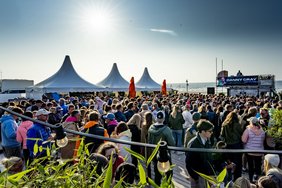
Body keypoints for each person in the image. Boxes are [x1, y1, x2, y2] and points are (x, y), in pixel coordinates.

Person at [148, 111, 175, 185]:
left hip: (154, 153)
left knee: (157, 173)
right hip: (164, 154)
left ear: (156, 118)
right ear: (163, 119)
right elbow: (172, 143)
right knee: (169, 173)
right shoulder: (167, 129)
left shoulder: (151, 128)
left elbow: (149, 141)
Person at [186, 119, 214, 188]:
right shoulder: (193, 144)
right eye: (210, 131)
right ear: (203, 131)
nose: (212, 133)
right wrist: (195, 177)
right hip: (198, 176)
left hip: (206, 174)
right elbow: (188, 163)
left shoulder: (207, 140)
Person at [220, 111, 244, 181]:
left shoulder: (224, 124)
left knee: (228, 162)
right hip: (237, 145)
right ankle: (237, 179)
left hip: (228, 145)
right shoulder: (238, 125)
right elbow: (241, 133)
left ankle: (228, 178)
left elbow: (222, 135)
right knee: (238, 163)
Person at [241, 117, 265, 183]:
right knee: (257, 165)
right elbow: (262, 140)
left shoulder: (248, 130)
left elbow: (243, 140)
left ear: (251, 122)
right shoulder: (262, 130)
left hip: (250, 151)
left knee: (250, 165)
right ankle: (257, 179)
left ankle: (251, 180)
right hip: (259, 151)